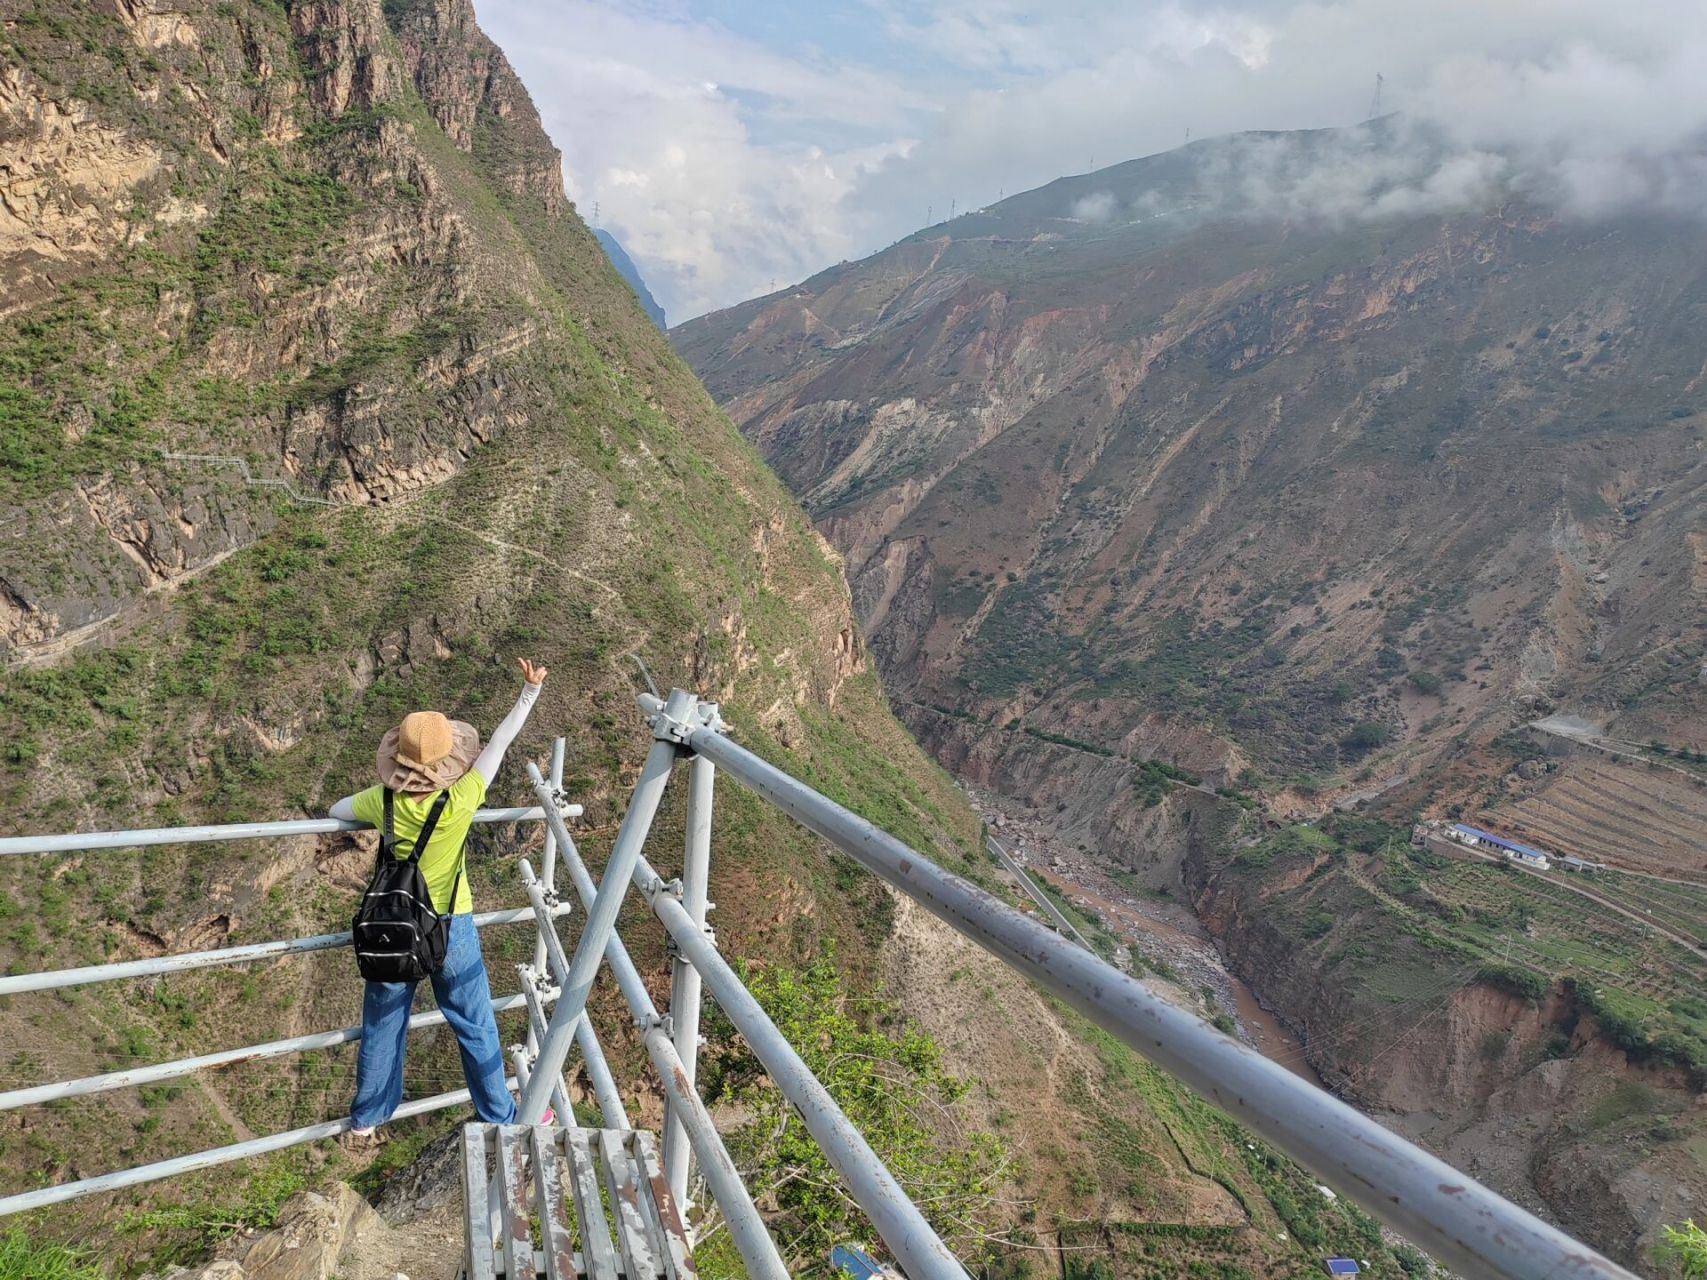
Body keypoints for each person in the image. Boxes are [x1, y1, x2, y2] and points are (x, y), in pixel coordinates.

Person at [329, 657, 549, 1146]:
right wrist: (528, 692)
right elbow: (499, 744)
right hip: (453, 925)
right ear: (448, 761)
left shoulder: (379, 802)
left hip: (393, 926)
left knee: (384, 1025)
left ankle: (367, 1118)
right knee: (474, 1023)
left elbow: (335, 811)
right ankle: (501, 1114)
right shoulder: (463, 796)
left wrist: (380, 805)